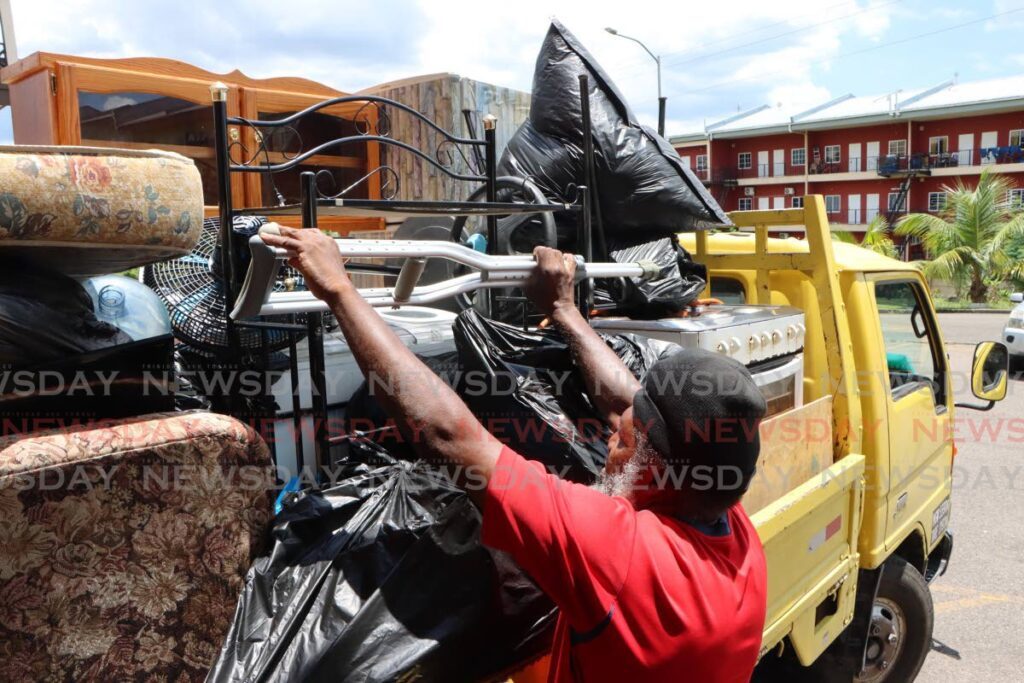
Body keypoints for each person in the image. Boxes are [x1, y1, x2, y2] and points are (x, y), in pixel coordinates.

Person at [261, 226, 769, 683]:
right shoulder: (731, 525)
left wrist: (338, 290)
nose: (611, 437)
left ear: (656, 470)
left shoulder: (619, 553)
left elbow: (449, 436)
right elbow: (623, 404)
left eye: (624, 441)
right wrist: (564, 310)